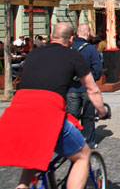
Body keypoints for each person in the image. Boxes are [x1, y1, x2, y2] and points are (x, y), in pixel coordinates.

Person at [0, 22, 107, 189]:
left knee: (33, 153)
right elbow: (92, 90)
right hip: (47, 114)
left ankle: (22, 186)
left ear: (51, 37)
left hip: (16, 112)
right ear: (71, 39)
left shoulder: (33, 54)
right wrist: (102, 111)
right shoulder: (74, 56)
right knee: (83, 155)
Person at [66, 24, 103, 149]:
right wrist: (93, 79)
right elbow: (97, 68)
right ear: (88, 34)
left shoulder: (69, 48)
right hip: (87, 88)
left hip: (71, 88)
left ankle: (71, 143)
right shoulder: (91, 49)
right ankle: (89, 142)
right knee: (88, 116)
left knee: (71, 117)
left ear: (76, 34)